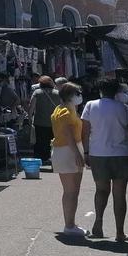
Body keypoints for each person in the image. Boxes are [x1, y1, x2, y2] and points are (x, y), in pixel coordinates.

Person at [82, 78, 128, 241]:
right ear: (117, 92)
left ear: (100, 90)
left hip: (98, 154)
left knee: (101, 190)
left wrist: (85, 152)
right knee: (119, 195)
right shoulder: (124, 108)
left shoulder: (90, 105)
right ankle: (119, 232)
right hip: (122, 154)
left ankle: (98, 224)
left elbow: (84, 131)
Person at [52, 82, 87, 237]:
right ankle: (69, 225)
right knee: (70, 191)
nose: (80, 96)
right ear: (69, 96)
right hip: (68, 151)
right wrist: (79, 155)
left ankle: (71, 222)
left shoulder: (68, 109)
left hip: (70, 149)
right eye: (77, 93)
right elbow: (68, 136)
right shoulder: (64, 112)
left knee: (74, 191)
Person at [29, 76, 62, 164]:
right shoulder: (57, 93)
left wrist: (29, 118)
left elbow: (31, 107)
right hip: (54, 122)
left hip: (39, 122)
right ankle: (51, 159)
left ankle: (40, 160)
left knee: (40, 142)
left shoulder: (37, 92)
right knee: (52, 142)